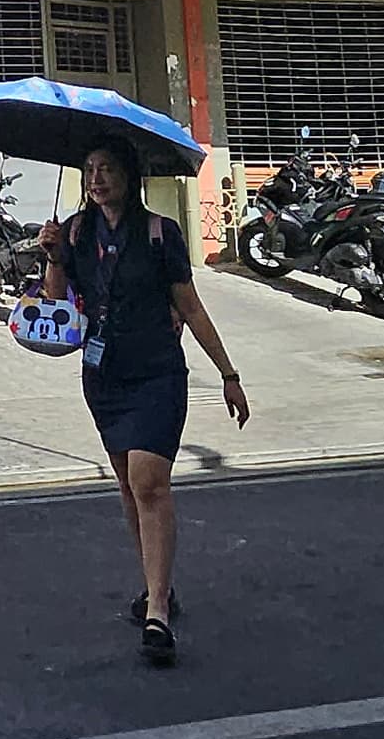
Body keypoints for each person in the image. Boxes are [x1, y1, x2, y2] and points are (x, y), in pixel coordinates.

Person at [36, 134, 251, 668]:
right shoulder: (78, 232)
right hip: (103, 378)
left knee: (150, 483)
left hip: (157, 375)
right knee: (129, 490)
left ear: (129, 176)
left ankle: (157, 609)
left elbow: (191, 307)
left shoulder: (162, 233)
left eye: (106, 167)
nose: (96, 178)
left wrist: (228, 373)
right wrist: (55, 257)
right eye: (89, 168)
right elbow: (55, 303)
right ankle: (160, 584)